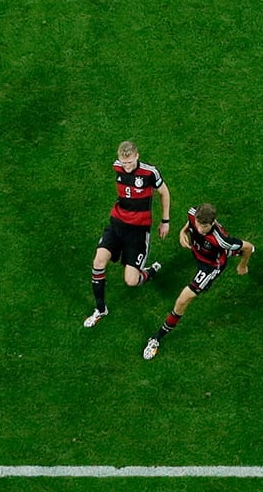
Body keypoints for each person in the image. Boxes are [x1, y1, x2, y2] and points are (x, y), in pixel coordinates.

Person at [143, 203, 254, 360]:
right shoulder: (192, 214)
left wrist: (243, 266)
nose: (200, 229)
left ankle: (156, 338)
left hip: (210, 266)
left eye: (205, 227)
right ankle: (232, 252)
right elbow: (189, 224)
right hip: (199, 252)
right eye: (198, 224)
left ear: (213, 222)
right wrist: (183, 232)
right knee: (220, 249)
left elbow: (248, 246)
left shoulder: (221, 239)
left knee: (183, 299)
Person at [83, 141, 171, 328]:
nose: (127, 166)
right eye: (124, 163)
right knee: (98, 262)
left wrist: (165, 221)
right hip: (116, 226)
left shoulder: (149, 173)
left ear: (137, 155)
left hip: (138, 233)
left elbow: (164, 193)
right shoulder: (117, 167)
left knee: (131, 281)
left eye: (130, 162)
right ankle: (100, 309)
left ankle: (149, 272)